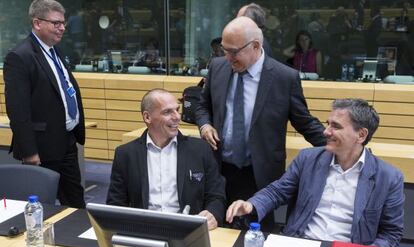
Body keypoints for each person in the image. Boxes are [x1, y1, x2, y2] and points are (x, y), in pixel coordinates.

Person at [195, 17, 325, 230]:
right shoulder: (218, 67)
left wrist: (337, 146)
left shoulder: (284, 78)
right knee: (215, 231)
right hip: (219, 169)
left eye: (233, 52)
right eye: (224, 49)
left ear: (255, 46)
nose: (227, 57)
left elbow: (305, 122)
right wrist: (205, 125)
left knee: (256, 235)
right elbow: (202, 106)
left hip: (259, 175)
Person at [226, 98, 404, 247]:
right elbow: (277, 191)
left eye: (335, 126)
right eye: (327, 124)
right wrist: (251, 205)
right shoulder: (308, 159)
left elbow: (391, 234)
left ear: (361, 135)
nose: (326, 131)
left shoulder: (388, 178)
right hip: (302, 244)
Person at [4, 0, 85, 208]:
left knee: (75, 202)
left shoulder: (53, 50)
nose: (62, 28)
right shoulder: (19, 57)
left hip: (66, 140)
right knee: (41, 206)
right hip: (42, 147)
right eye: (56, 23)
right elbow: (18, 111)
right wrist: (30, 152)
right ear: (37, 23)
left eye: (63, 23)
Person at [107, 89, 226, 230]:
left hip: (188, 232)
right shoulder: (126, 154)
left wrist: (213, 214)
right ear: (147, 117)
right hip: (143, 230)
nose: (177, 117)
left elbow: (217, 196)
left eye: (177, 110)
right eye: (167, 112)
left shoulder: (200, 150)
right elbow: (115, 203)